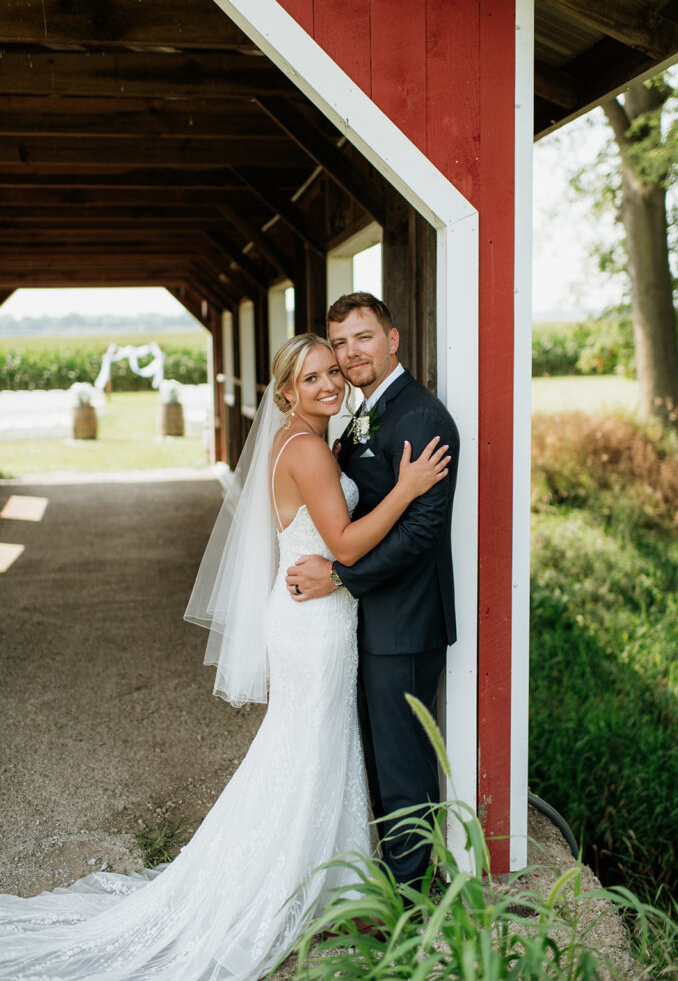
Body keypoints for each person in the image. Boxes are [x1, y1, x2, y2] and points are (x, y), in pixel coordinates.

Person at [0, 333, 449, 981]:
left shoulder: (297, 440)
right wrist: (406, 488)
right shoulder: (310, 453)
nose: (328, 384)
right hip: (314, 621)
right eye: (311, 377)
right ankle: (300, 886)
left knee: (308, 747)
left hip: (307, 614)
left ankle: (325, 881)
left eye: (332, 372)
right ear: (287, 391)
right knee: (309, 746)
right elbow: (346, 546)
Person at [285, 295, 459, 887]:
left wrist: (339, 576)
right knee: (380, 761)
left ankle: (413, 901)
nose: (350, 353)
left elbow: (421, 533)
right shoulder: (363, 414)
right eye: (339, 343)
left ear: (393, 340)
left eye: (363, 337)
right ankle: (391, 881)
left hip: (405, 622)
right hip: (367, 622)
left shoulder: (421, 418)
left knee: (403, 765)